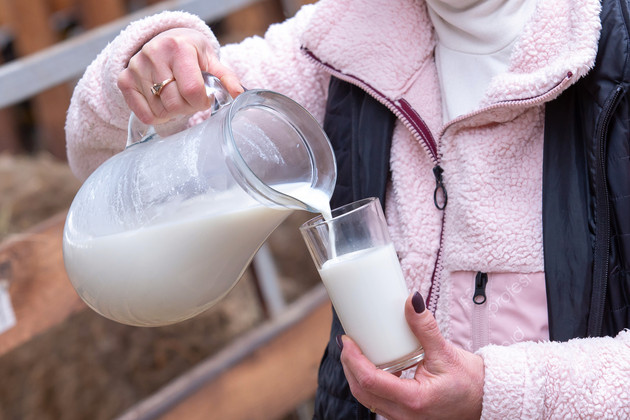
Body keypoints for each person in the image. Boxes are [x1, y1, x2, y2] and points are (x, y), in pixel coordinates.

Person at [65, 0, 630, 418]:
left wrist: (497, 393)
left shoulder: (612, 47)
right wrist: (155, 66)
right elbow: (104, 157)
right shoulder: (343, 39)